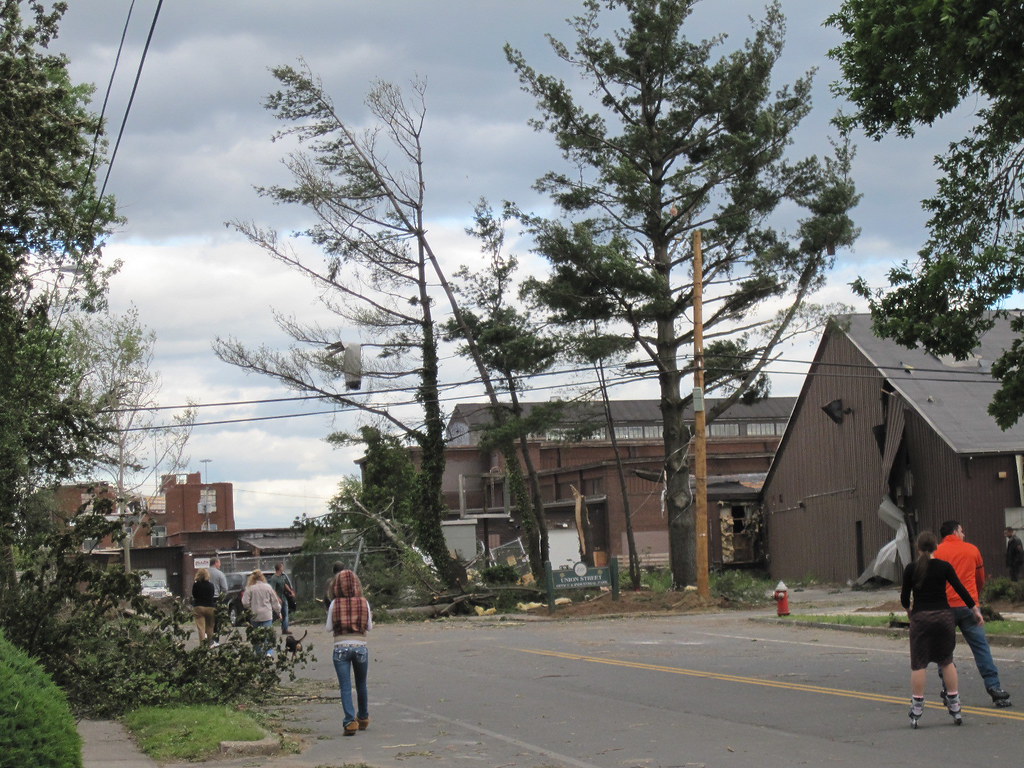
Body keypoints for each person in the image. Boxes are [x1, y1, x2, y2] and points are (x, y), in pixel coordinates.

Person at [900, 531, 979, 726]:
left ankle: (917, 707)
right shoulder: (944, 567)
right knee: (946, 661)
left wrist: (909, 610)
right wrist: (974, 609)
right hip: (944, 617)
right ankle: (955, 705)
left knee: (919, 664)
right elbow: (960, 589)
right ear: (936, 547)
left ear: (918, 548)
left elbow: (904, 597)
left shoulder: (911, 569)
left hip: (921, 618)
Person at [934, 520, 1012, 707]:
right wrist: (974, 598)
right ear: (954, 531)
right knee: (981, 648)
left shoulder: (937, 552)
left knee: (944, 652)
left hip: (944, 607)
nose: (964, 534)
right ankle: (994, 687)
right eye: (961, 531)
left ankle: (948, 690)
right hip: (969, 608)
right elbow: (980, 579)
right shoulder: (972, 550)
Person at [326, 569, 372, 736]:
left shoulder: (334, 604)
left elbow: (328, 628)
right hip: (360, 647)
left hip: (340, 648)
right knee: (361, 684)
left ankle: (350, 721)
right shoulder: (363, 602)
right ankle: (364, 717)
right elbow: (369, 627)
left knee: (345, 686)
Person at [241, 569, 281, 656]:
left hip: (255, 615)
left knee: (256, 636)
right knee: (267, 635)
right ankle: (268, 653)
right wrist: (278, 612)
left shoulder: (250, 588)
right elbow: (274, 601)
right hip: (267, 614)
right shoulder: (268, 587)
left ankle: (259, 653)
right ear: (262, 577)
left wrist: (249, 608)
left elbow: (245, 602)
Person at [268, 562, 296, 635]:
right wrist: (277, 598)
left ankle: (285, 629)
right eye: (282, 567)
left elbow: (285, 584)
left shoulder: (282, 576)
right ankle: (268, 627)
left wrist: (290, 591)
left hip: (284, 598)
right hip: (277, 599)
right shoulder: (274, 578)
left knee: (285, 613)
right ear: (279, 568)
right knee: (275, 615)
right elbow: (273, 589)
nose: (283, 568)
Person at [191, 568, 217, 646]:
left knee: (201, 628)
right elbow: (212, 595)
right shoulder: (211, 585)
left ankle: (202, 646)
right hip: (210, 607)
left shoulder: (196, 585)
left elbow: (194, 595)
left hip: (199, 607)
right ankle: (210, 643)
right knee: (210, 627)